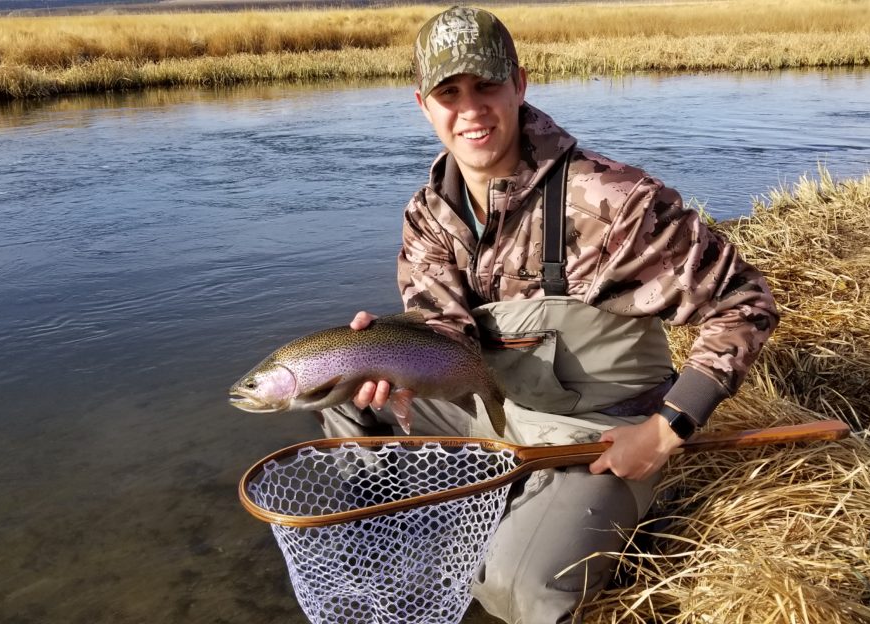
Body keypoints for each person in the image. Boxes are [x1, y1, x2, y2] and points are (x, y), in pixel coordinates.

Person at [320, 6, 779, 623]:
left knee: (520, 587)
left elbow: (744, 301)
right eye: (449, 93)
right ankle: (411, 537)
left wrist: (668, 429)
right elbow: (442, 333)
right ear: (422, 104)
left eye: (487, 86)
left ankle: (578, 517)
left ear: (520, 85)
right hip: (497, 409)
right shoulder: (430, 214)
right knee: (344, 392)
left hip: (600, 435)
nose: (472, 109)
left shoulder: (612, 201)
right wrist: (387, 357)